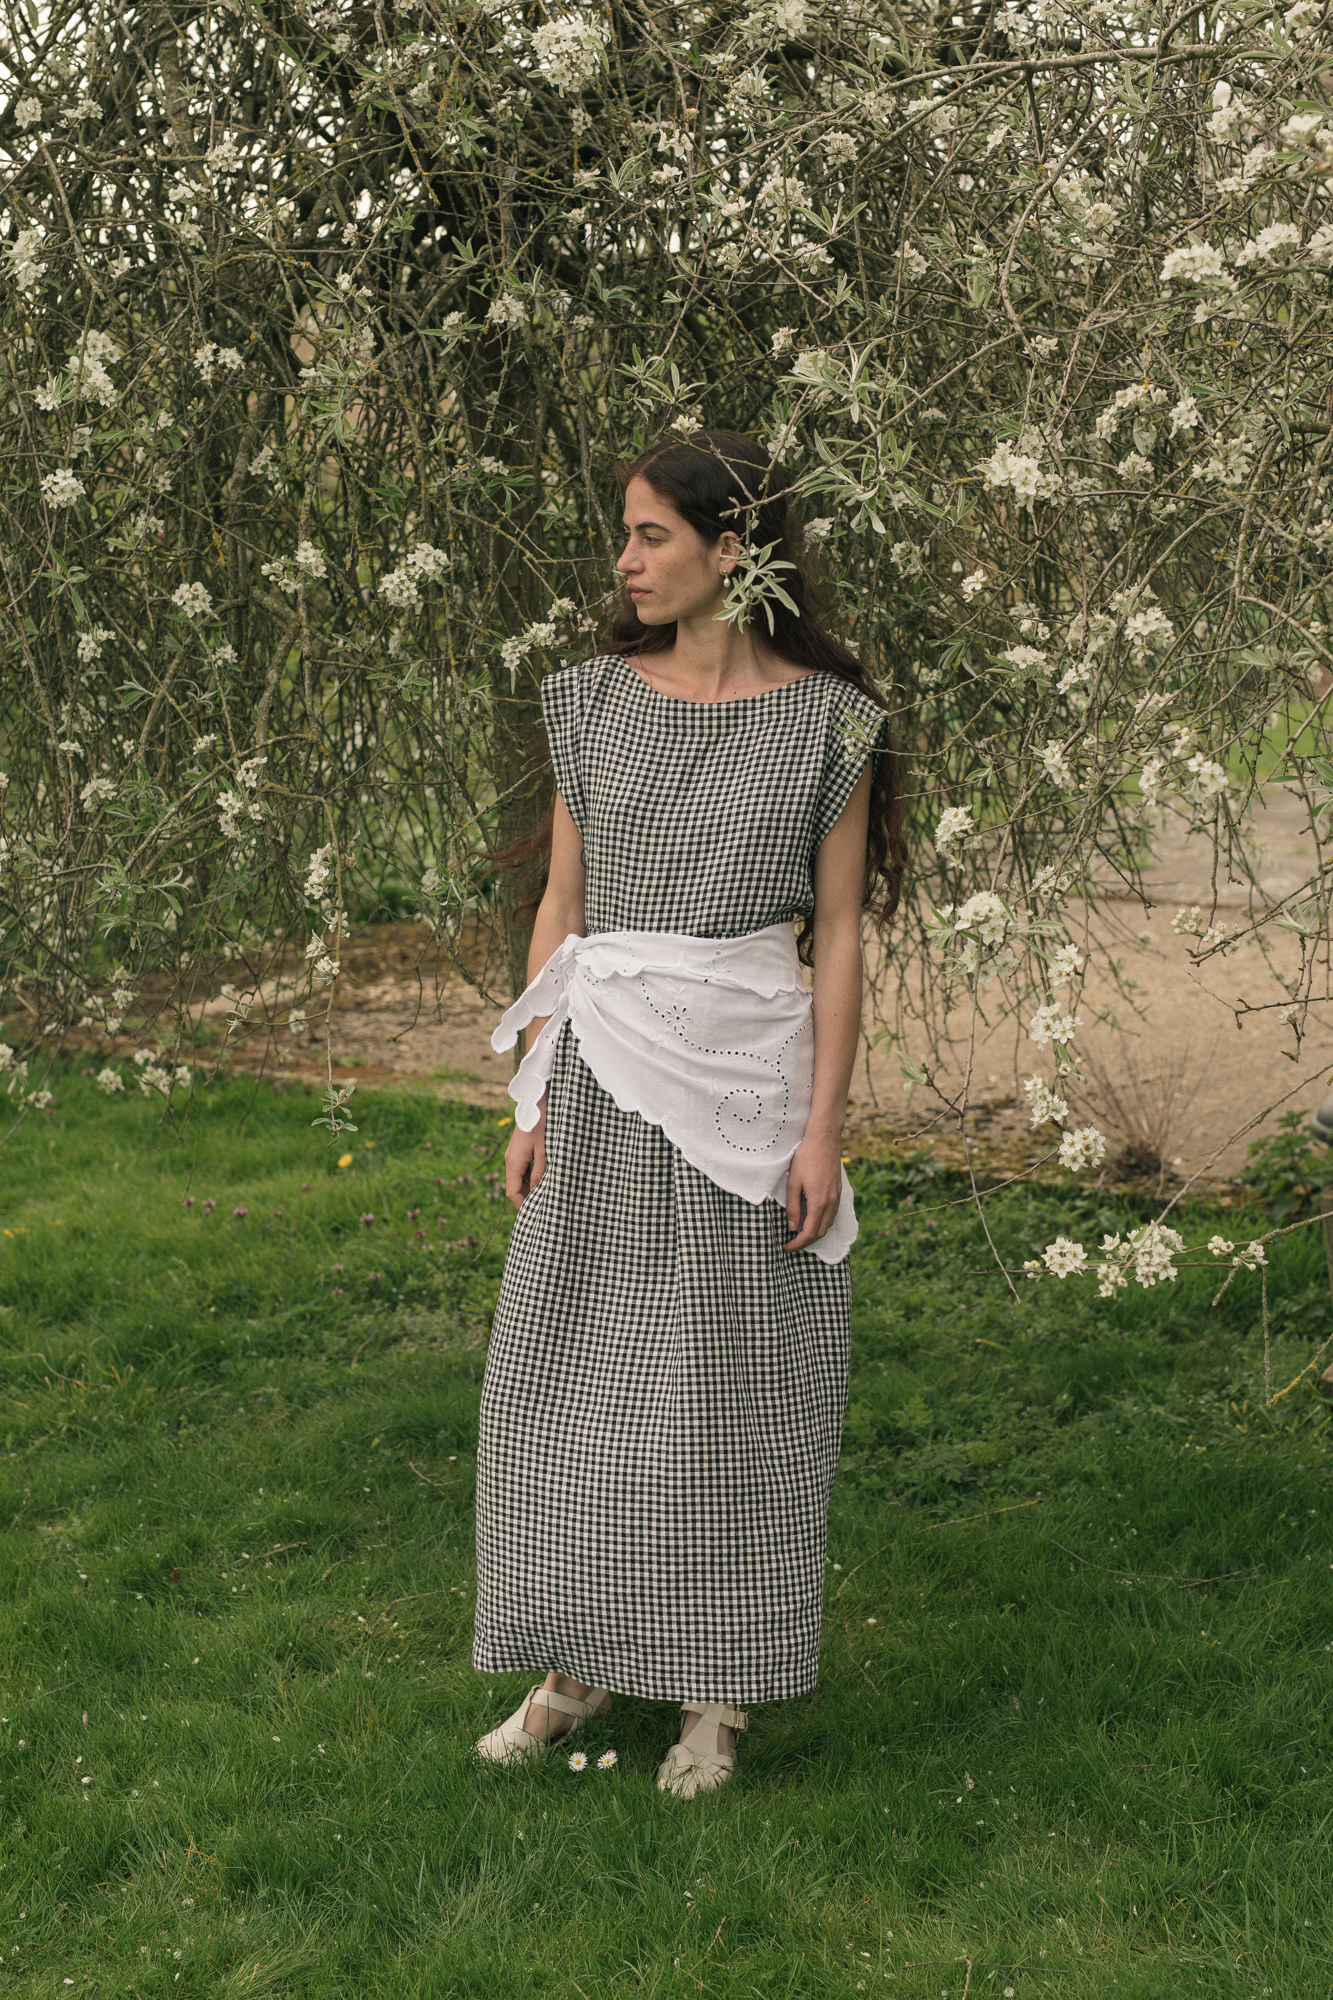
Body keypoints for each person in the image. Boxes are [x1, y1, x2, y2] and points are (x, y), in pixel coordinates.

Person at [472, 429, 907, 1796]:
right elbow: (564, 906)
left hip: (751, 1087)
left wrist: (823, 1129)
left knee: (729, 1382)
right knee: (577, 1374)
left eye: (652, 534)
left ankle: (716, 1690)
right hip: (603, 1073)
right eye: (625, 533)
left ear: (735, 551)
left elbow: (836, 935)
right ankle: (577, 1661)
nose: (626, 561)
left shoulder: (831, 724)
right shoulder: (589, 704)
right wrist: (534, 1084)